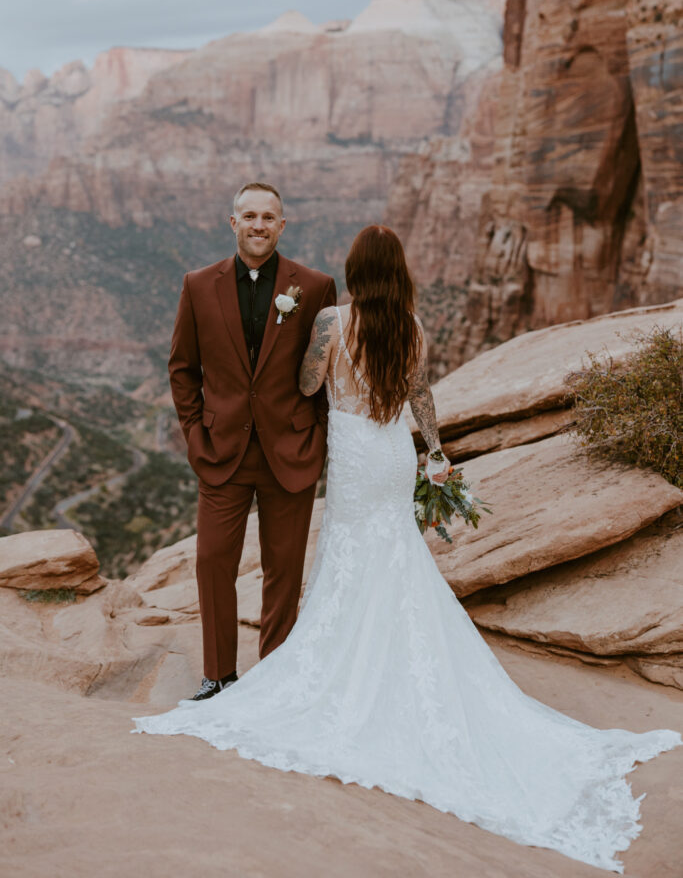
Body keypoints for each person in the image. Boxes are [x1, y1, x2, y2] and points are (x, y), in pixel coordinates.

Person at [134, 225, 681, 873]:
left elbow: (309, 387)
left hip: (354, 451)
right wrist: (437, 453)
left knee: (350, 553)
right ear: (397, 272)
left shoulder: (333, 321)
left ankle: (354, 661)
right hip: (393, 451)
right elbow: (420, 394)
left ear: (355, 270)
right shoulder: (412, 326)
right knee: (395, 551)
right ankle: (397, 647)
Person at [166, 180, 336, 700]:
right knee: (213, 560)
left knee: (283, 569)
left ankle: (274, 678)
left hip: (291, 450)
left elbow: (329, 373)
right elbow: (182, 367)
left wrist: (320, 437)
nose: (259, 225)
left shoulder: (315, 285)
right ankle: (218, 675)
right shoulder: (198, 284)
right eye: (249, 216)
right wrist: (197, 434)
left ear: (282, 226)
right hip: (221, 454)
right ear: (232, 222)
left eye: (269, 217)